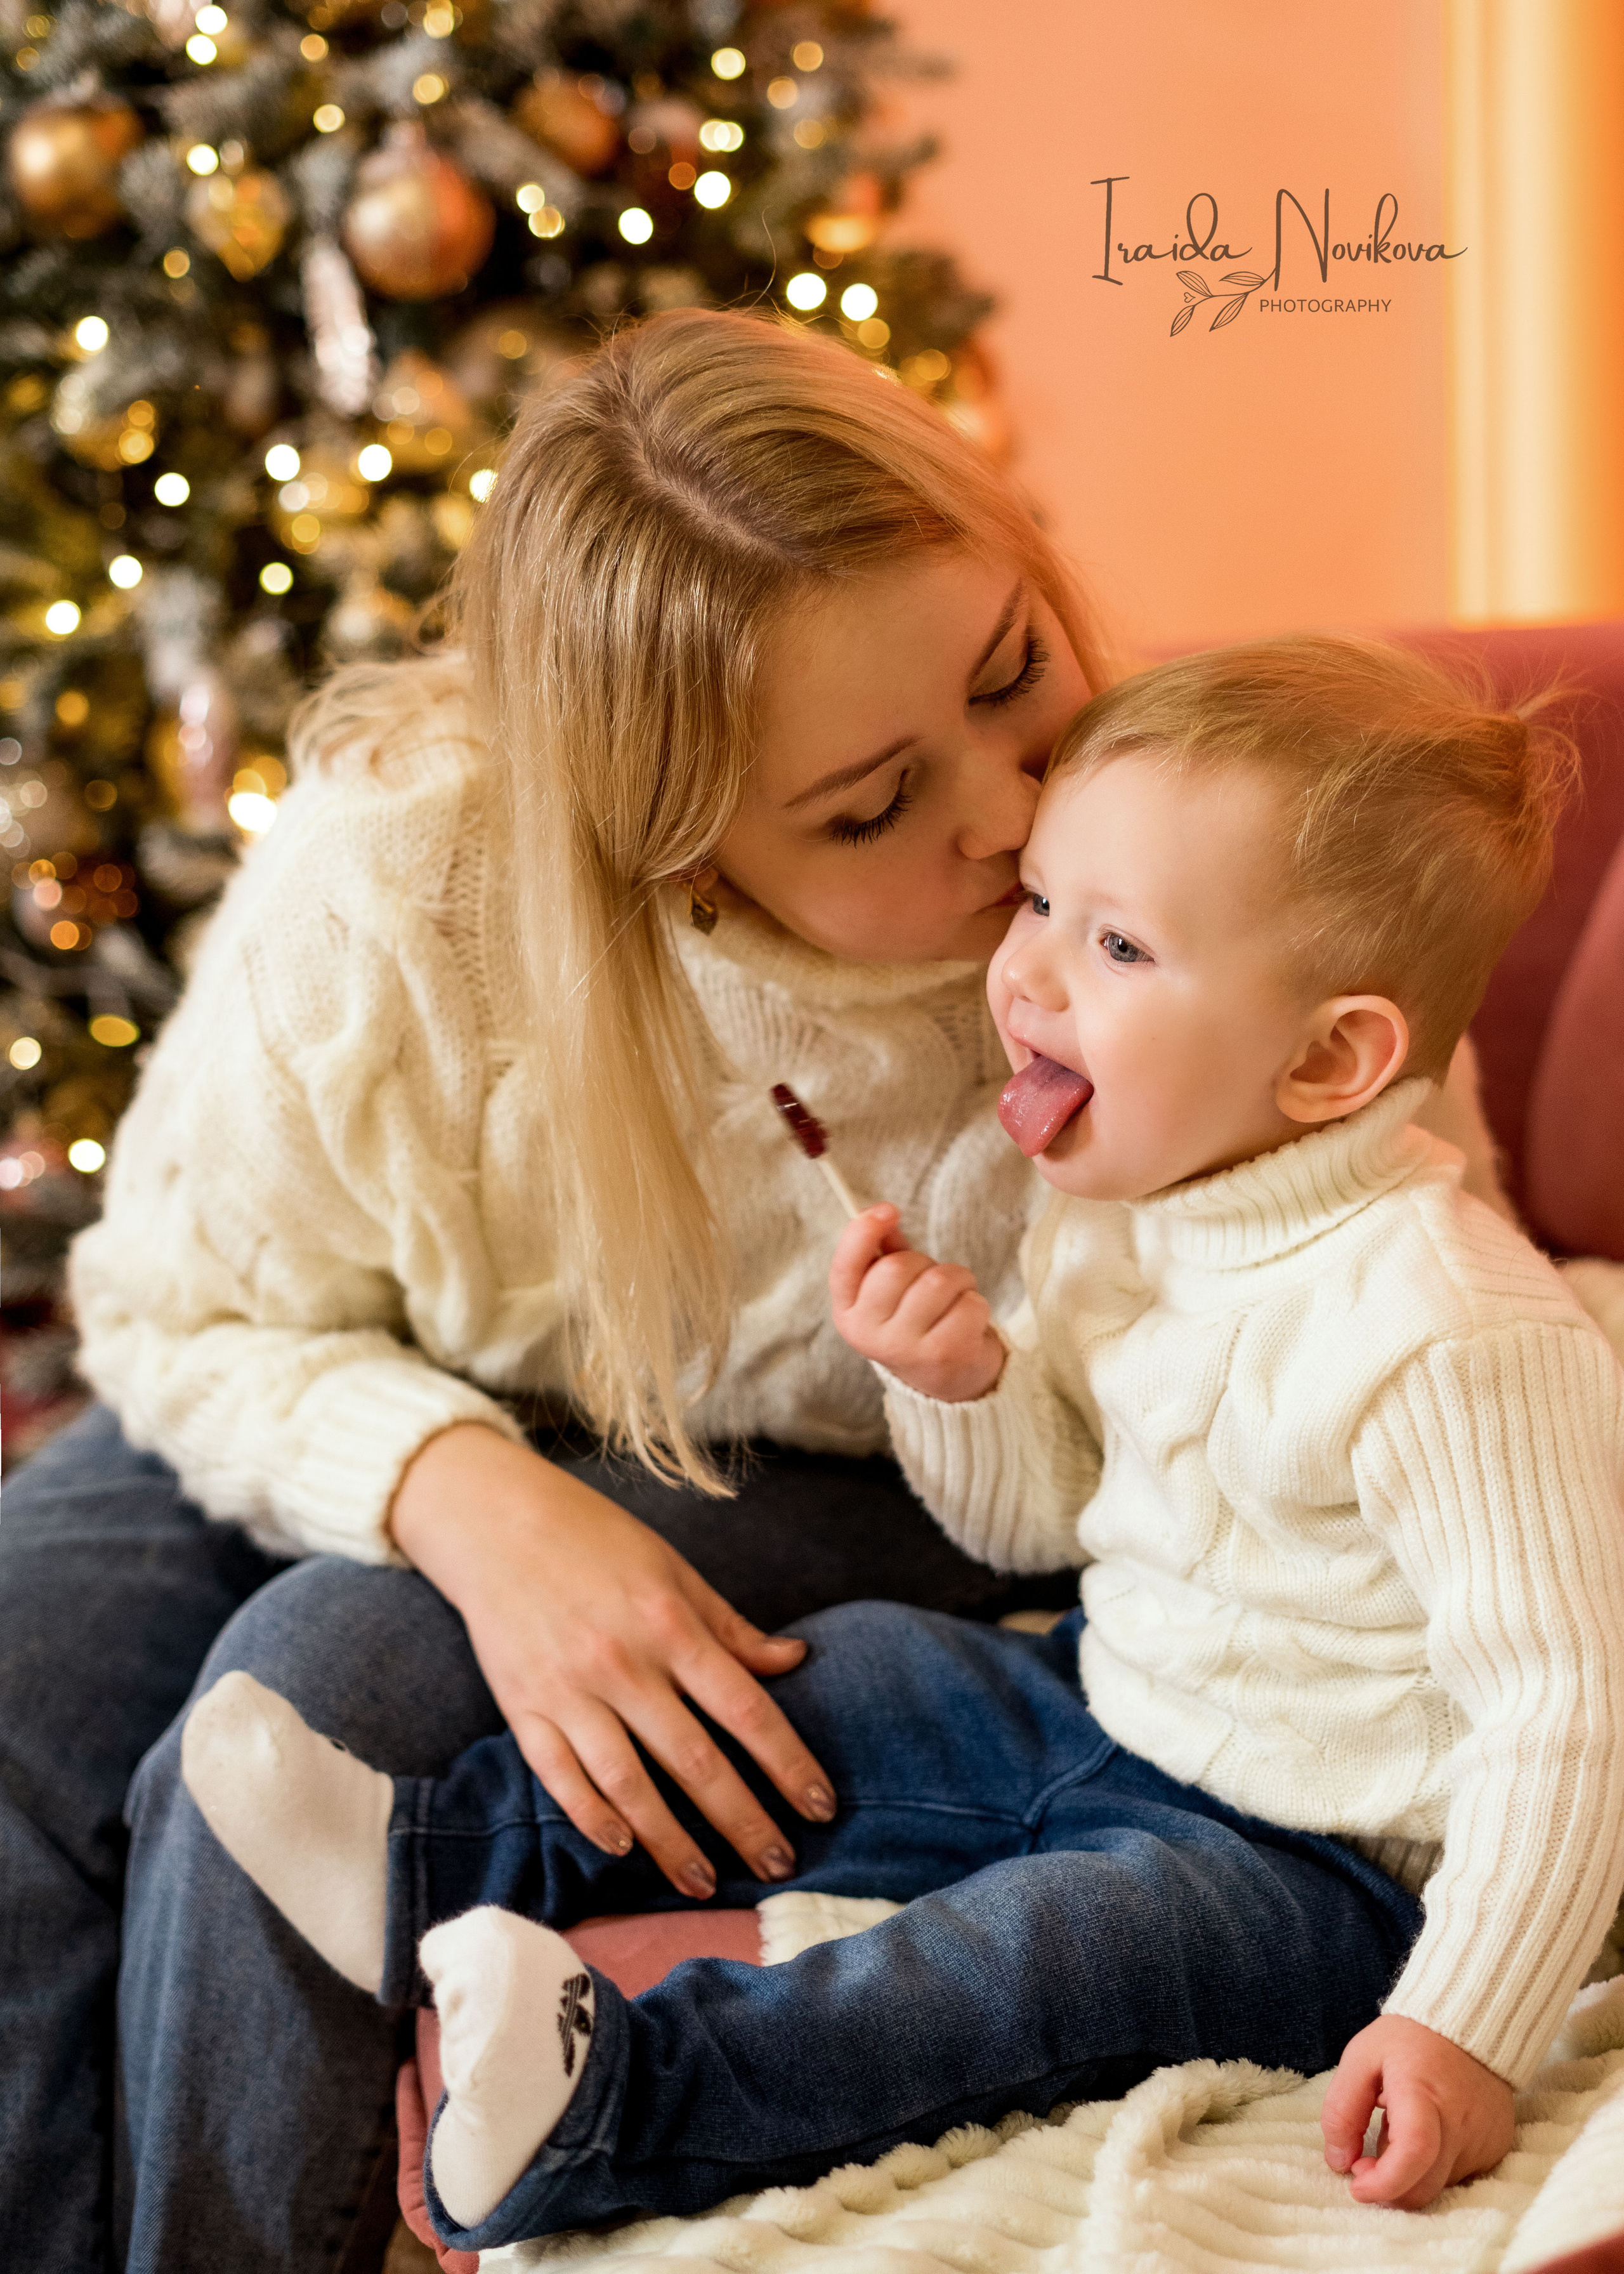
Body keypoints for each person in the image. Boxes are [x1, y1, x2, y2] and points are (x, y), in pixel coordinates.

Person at [0, 318, 1547, 2274]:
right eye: (870, 806)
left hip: (883, 1451)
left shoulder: (1209, 851)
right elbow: (170, 1307)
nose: (1007, 812)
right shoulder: (405, 885)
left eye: (1014, 675)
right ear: (677, 865)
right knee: (20, 1694)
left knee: (315, 1686)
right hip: (351, 1369)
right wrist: (476, 1505)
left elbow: (1385, 1287)